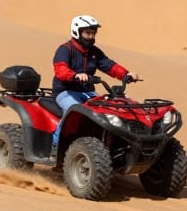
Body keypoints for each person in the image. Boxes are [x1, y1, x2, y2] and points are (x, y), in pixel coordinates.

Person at [51, 15, 140, 149]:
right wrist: (75, 75)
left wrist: (126, 74)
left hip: (87, 92)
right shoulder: (65, 50)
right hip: (65, 91)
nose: (91, 37)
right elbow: (60, 69)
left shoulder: (94, 52)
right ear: (77, 32)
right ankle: (56, 145)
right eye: (88, 33)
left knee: (106, 110)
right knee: (73, 110)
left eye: (93, 34)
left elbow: (109, 65)